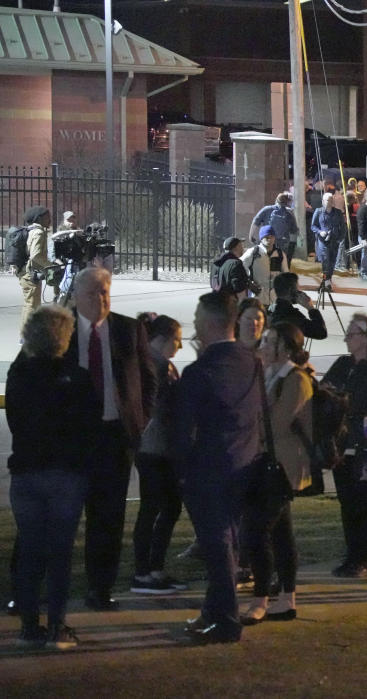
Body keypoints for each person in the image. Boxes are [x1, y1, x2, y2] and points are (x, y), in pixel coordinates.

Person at [7, 305, 101, 649]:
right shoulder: (75, 377)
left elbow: (16, 420)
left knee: (31, 550)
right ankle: (57, 626)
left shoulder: (19, 375)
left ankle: (29, 625)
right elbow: (88, 426)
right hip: (64, 473)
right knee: (60, 552)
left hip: (27, 472)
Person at [64, 268, 156, 611]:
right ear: (76, 296)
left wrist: (140, 419)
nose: (100, 300)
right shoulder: (62, 329)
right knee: (62, 518)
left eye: (105, 292)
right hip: (72, 442)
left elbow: (148, 379)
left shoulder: (127, 330)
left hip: (115, 439)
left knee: (109, 520)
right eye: (92, 293)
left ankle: (100, 590)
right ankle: (31, 592)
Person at [174, 291, 264, 644]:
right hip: (244, 462)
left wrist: (181, 471)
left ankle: (226, 620)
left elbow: (183, 431)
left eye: (197, 317)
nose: (193, 323)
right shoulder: (250, 360)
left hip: (208, 470)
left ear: (210, 323)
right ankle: (213, 612)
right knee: (228, 542)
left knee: (217, 546)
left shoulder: (199, 372)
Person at [242, 322, 313, 625]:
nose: (262, 345)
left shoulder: (295, 380)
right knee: (281, 533)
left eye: (269, 341)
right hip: (263, 464)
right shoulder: (268, 375)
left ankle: (261, 598)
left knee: (256, 532)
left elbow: (277, 423)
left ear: (284, 347)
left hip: (282, 468)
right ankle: (287, 598)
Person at [324, 314, 367, 578]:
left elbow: (359, 401)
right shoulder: (343, 363)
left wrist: (339, 396)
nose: (347, 339)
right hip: (342, 442)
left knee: (362, 500)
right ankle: (352, 555)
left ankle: (363, 558)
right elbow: (324, 392)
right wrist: (336, 396)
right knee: (346, 500)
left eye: (352, 334)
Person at [130, 315, 186, 595]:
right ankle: (144, 571)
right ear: (163, 338)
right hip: (156, 447)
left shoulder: (152, 363)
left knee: (164, 506)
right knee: (157, 507)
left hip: (152, 447)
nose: (180, 345)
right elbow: (165, 409)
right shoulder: (159, 366)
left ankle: (153, 568)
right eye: (178, 339)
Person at [11, 206, 54, 329]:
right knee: (32, 305)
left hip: (25, 272)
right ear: (38, 218)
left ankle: (25, 335)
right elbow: (35, 256)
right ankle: (26, 336)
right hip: (31, 274)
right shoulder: (39, 232)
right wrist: (49, 265)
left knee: (29, 304)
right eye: (47, 217)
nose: (49, 219)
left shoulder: (30, 230)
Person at [268, 272, 328, 341]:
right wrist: (310, 308)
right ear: (291, 290)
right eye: (297, 289)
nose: (299, 291)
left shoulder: (271, 310)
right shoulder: (291, 315)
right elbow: (321, 332)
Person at [240, 228, 289, 306]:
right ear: (261, 238)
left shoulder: (280, 254)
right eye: (266, 237)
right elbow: (240, 267)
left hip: (275, 298)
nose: (269, 239)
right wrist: (248, 282)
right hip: (258, 297)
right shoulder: (253, 252)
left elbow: (286, 274)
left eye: (271, 236)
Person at [311, 193, 347, 290]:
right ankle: (325, 282)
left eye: (331, 200)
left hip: (334, 241)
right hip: (323, 241)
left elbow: (343, 227)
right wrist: (320, 232)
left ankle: (327, 281)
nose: (329, 202)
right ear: (323, 201)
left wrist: (340, 239)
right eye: (327, 200)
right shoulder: (318, 212)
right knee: (325, 262)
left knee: (332, 262)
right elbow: (313, 226)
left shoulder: (338, 212)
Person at [251, 193, 300, 260]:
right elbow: (294, 230)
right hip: (283, 242)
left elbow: (255, 222)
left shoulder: (266, 209)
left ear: (276, 200)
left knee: (266, 261)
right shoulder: (289, 213)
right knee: (281, 262)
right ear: (287, 202)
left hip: (268, 240)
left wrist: (251, 236)